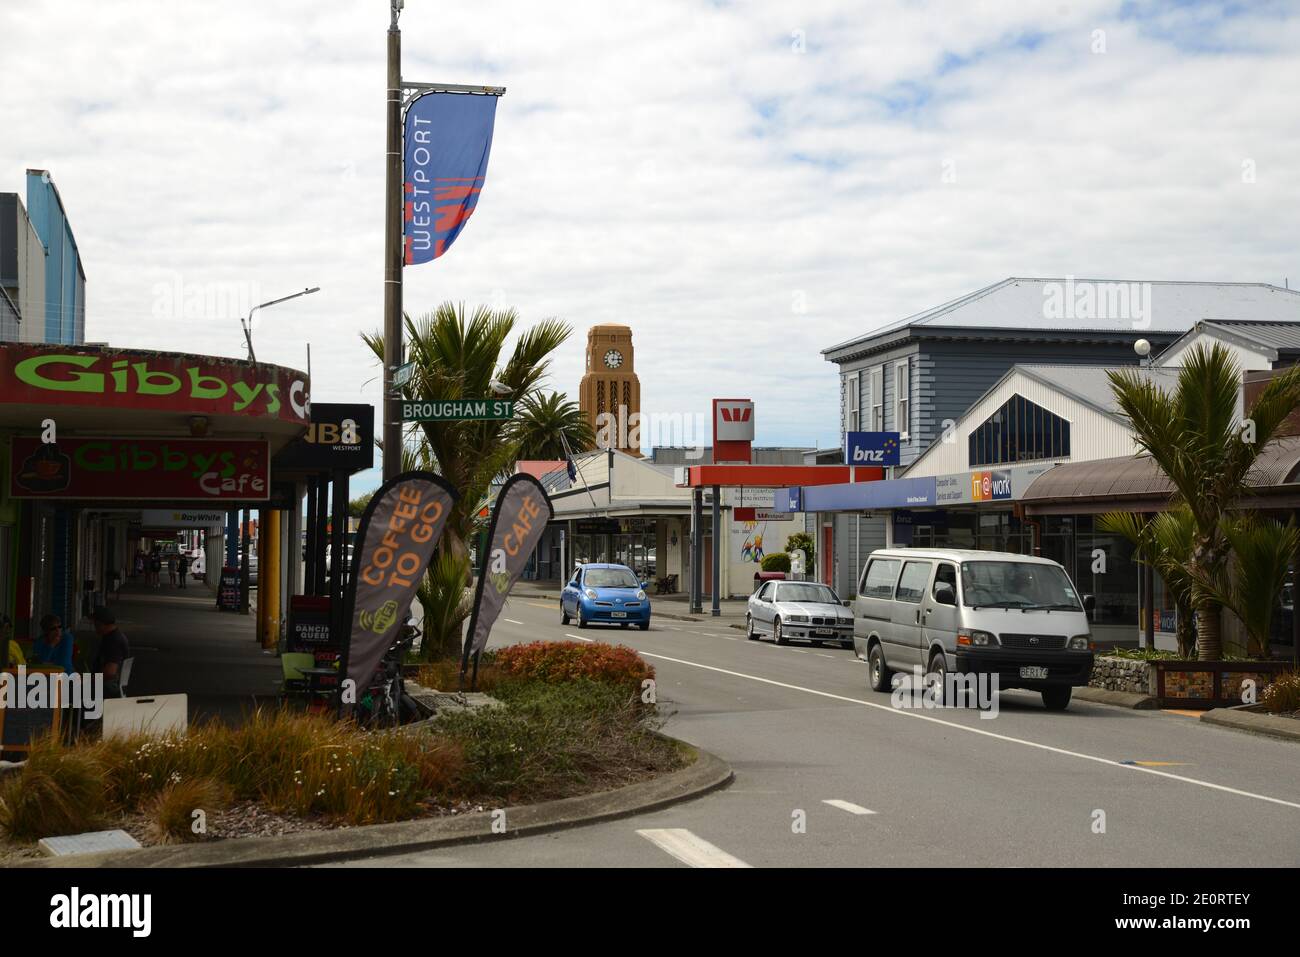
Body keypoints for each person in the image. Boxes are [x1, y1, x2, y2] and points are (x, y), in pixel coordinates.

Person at [91, 606, 129, 698]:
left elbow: (110, 672)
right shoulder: (114, 636)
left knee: (69, 689)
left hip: (108, 686)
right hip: (111, 684)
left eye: (95, 623)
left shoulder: (113, 641)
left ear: (100, 624)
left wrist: (89, 680)